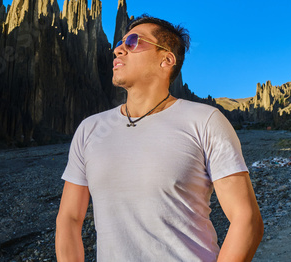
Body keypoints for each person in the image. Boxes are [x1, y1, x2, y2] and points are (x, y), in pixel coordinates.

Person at [56, 15, 264, 262]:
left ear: (167, 59)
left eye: (133, 42)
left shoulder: (205, 121)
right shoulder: (90, 129)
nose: (118, 49)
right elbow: (69, 218)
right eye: (120, 42)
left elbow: (246, 219)